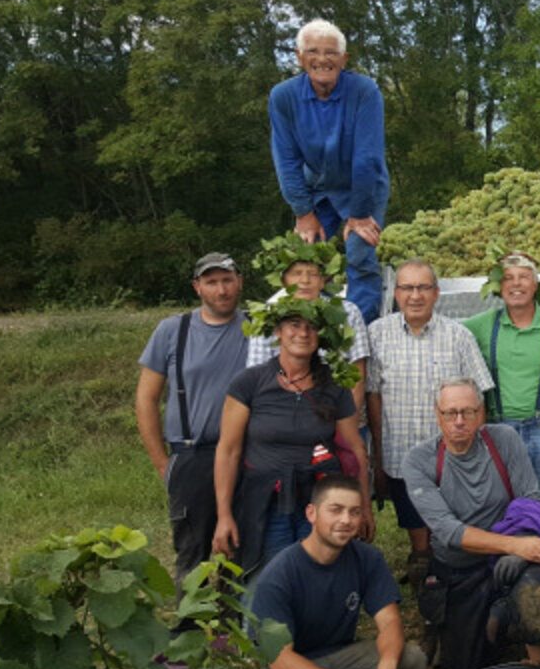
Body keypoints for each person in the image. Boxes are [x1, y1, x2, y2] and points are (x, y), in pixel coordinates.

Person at [249, 476, 428, 669]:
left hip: (340, 656)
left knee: (410, 660)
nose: (346, 520)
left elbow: (390, 622)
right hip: (290, 668)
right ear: (311, 514)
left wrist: (385, 668)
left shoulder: (367, 558)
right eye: (335, 509)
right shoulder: (280, 573)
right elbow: (279, 659)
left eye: (354, 512)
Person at [402, 379, 540, 669]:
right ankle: (497, 619)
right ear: (437, 415)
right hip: (458, 569)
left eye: (468, 411)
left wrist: (520, 548)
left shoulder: (504, 440)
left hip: (508, 560)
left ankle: (538, 667)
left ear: (481, 414)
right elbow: (449, 532)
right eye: (450, 413)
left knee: (533, 589)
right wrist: (513, 545)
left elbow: (530, 498)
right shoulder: (419, 461)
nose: (459, 421)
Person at [213, 296, 369, 579]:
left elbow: (354, 449)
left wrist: (363, 508)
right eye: (294, 325)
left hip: (318, 501)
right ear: (278, 332)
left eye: (311, 327)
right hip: (264, 501)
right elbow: (228, 450)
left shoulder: (334, 387)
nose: (302, 333)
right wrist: (224, 515)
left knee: (316, 577)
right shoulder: (250, 382)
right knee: (269, 580)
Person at [368, 259, 495, 589]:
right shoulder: (377, 335)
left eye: (423, 287)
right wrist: (377, 452)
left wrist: (473, 449)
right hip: (400, 450)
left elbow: (479, 398)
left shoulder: (459, 336)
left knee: (452, 516)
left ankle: (456, 570)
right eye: (407, 288)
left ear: (436, 293)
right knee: (414, 518)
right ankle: (422, 566)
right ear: (396, 293)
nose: (415, 295)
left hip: (450, 451)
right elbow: (373, 396)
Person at [135, 252, 248, 584]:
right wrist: (162, 464)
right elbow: (146, 399)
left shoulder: (260, 327)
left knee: (242, 549)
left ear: (239, 283)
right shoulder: (173, 330)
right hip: (192, 455)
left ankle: (233, 628)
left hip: (246, 453)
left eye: (227, 280)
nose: (222, 290)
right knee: (192, 552)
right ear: (197, 287)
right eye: (212, 282)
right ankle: (190, 628)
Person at [269, 19, 389, 324]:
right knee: (305, 256)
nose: (322, 59)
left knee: (360, 253)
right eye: (313, 51)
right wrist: (303, 212)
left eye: (331, 52)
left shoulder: (364, 91)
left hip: (362, 188)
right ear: (298, 56)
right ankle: (311, 329)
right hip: (316, 189)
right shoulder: (283, 97)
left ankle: (360, 331)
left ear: (344, 59)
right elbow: (286, 158)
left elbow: (367, 157)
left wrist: (360, 213)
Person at [463, 251, 540, 505]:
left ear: (535, 285)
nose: (516, 283)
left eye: (524, 277)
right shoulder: (479, 326)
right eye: (508, 277)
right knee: (506, 511)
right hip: (500, 431)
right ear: (499, 287)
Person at [245, 233, 370, 417]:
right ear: (283, 280)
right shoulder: (268, 316)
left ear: (323, 280)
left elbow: (357, 374)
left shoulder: (348, 312)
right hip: (282, 415)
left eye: (312, 273)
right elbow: (257, 377)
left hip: (336, 414)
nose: (305, 281)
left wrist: (347, 425)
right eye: (297, 274)